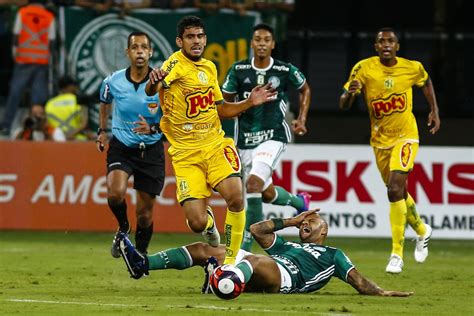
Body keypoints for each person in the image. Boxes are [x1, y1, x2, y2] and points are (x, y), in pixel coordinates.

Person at [145, 15, 276, 265]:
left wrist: (249, 102)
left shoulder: (209, 67)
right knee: (196, 223)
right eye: (190, 37)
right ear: (179, 41)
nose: (196, 41)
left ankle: (230, 263)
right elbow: (155, 86)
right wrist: (153, 84)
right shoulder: (174, 64)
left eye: (200, 36)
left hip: (215, 144)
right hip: (186, 153)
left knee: (236, 197)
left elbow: (220, 109)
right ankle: (208, 224)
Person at [117, 210, 413, 297]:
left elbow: (359, 282)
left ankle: (224, 281)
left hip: (286, 279)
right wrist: (291, 221)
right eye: (305, 222)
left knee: (248, 259)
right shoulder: (289, 245)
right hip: (269, 265)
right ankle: (143, 264)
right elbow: (258, 230)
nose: (307, 223)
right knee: (203, 249)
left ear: (324, 232)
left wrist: (382, 292)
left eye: (312, 222)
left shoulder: (334, 254)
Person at [339, 27, 440, 274]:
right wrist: (350, 95)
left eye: (390, 41)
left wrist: (434, 110)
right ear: (375, 47)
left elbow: (426, 82)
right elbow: (343, 103)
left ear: (397, 46)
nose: (386, 44)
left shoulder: (411, 67)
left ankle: (396, 254)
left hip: (406, 137)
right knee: (399, 193)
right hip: (380, 141)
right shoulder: (363, 68)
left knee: (394, 190)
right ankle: (422, 230)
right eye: (381, 41)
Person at [222, 23, 311, 251]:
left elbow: (305, 89)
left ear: (272, 44)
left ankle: (247, 243)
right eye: (258, 39)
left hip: (273, 135)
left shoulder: (284, 70)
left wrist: (301, 119)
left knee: (252, 185)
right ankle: (299, 202)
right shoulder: (239, 70)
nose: (262, 44)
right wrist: (247, 103)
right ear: (252, 43)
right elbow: (224, 103)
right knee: (266, 192)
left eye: (266, 40)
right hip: (244, 140)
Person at [96, 31, 166, 258]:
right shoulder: (113, 81)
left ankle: (141, 254)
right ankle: (123, 227)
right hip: (122, 147)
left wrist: (153, 128)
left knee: (145, 214)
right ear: (127, 52)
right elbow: (104, 101)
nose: (139, 52)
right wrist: (102, 131)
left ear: (150, 52)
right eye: (135, 47)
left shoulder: (163, 84)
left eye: (144, 47)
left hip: (151, 150)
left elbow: (175, 119)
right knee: (115, 193)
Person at [0, 0, 55, 137]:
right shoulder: (49, 17)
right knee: (38, 98)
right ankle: (36, 130)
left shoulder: (22, 13)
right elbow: (52, 41)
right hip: (41, 61)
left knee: (15, 94)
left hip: (23, 60)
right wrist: (49, 58)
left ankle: (6, 126)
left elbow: (16, 36)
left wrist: (15, 54)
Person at [45, 76, 93, 141]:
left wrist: (61, 136)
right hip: (77, 140)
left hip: (56, 141)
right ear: (69, 87)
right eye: (74, 85)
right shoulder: (79, 100)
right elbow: (84, 124)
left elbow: (47, 125)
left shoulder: (50, 103)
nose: (76, 88)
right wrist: (71, 135)